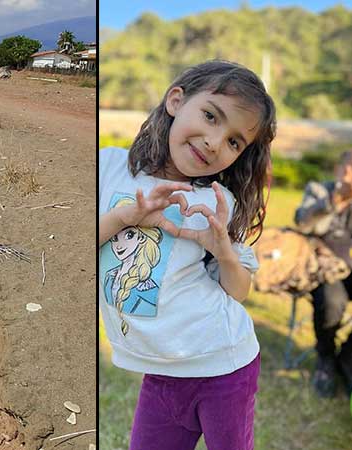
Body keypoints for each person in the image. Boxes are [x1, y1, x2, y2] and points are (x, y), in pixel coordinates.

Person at [99, 60, 275, 450]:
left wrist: (223, 252)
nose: (215, 142)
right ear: (176, 100)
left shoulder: (215, 202)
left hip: (224, 364)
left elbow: (239, 290)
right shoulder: (109, 168)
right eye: (211, 116)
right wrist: (123, 217)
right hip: (159, 372)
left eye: (234, 141)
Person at [294, 151, 352, 398]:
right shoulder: (319, 190)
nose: (349, 176)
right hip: (324, 268)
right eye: (346, 170)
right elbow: (303, 223)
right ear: (338, 170)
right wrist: (333, 203)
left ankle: (347, 357)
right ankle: (326, 357)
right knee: (331, 302)